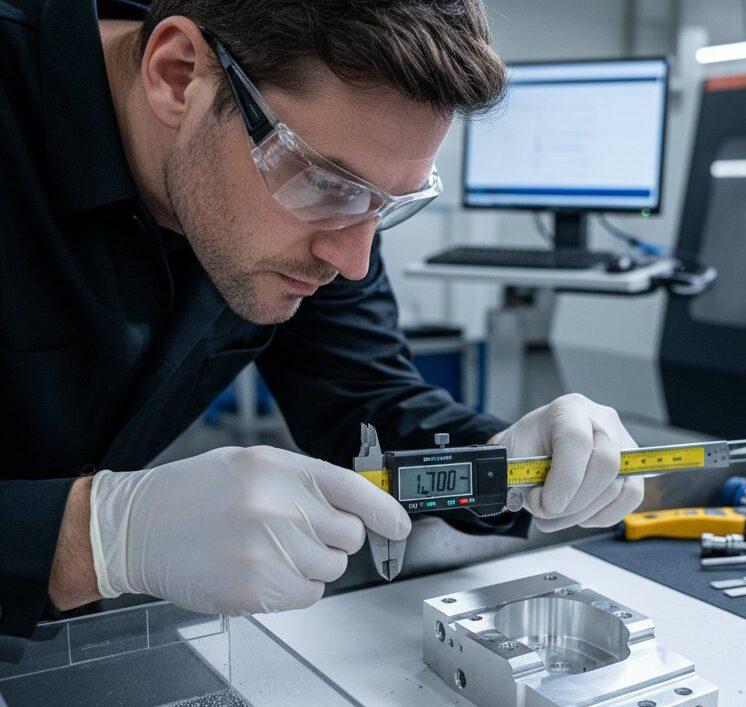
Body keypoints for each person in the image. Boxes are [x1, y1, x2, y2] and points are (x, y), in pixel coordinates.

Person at [0, 0, 644, 638]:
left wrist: (509, 465)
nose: (354, 261)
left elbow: (364, 401)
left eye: (388, 204)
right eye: (329, 186)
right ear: (178, 75)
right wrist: (90, 538)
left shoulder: (326, 213)